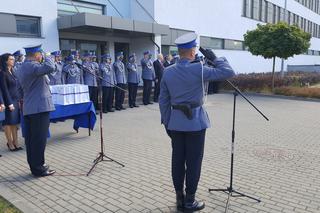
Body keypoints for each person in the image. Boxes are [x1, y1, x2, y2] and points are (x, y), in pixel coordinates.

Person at [159, 32, 235, 212]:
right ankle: (190, 201)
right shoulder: (199, 68)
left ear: (180, 51)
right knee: (193, 162)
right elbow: (229, 72)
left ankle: (179, 199)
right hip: (195, 123)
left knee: (177, 161)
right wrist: (215, 58)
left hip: (175, 124)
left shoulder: (167, 71)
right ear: (193, 52)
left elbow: (163, 100)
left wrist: (167, 122)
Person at [17, 44, 56, 177]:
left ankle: (35, 166)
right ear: (37, 54)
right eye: (41, 54)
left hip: (30, 107)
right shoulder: (32, 66)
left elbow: (19, 89)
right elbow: (51, 67)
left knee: (32, 139)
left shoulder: (23, 67)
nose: (42, 56)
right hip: (39, 108)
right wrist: (49, 56)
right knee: (39, 139)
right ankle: (39, 168)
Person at [0, 53, 23, 152]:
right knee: (8, 123)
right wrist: (9, 103)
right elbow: (4, 89)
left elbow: (18, 87)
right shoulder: (2, 73)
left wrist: (20, 99)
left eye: (13, 59)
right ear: (6, 61)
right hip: (8, 101)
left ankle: (16, 142)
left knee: (15, 123)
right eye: (11, 59)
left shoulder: (13, 71)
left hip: (15, 100)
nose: (13, 61)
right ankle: (10, 143)